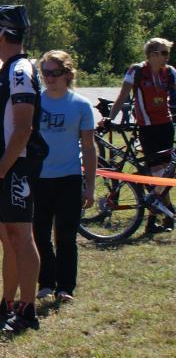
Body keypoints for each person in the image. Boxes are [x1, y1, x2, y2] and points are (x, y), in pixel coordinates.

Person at [0, 4, 49, 334]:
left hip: (17, 166)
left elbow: (23, 130)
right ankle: (8, 302)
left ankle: (27, 309)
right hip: (7, 165)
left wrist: (1, 173)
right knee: (8, 237)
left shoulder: (20, 70)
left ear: (2, 33)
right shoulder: (8, 69)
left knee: (21, 237)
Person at [35, 50, 96, 302]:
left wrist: (90, 187)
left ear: (67, 73)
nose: (49, 78)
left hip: (69, 178)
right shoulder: (35, 102)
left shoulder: (80, 105)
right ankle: (46, 282)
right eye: (45, 73)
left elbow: (89, 148)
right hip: (39, 178)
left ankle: (65, 287)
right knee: (39, 235)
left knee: (66, 235)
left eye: (54, 73)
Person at [106, 37, 176, 233]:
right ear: (152, 54)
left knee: (166, 172)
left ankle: (162, 212)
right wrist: (110, 118)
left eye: (167, 53)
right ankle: (157, 218)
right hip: (147, 127)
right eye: (164, 53)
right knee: (157, 173)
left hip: (166, 125)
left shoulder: (169, 72)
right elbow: (122, 96)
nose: (166, 57)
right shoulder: (136, 71)